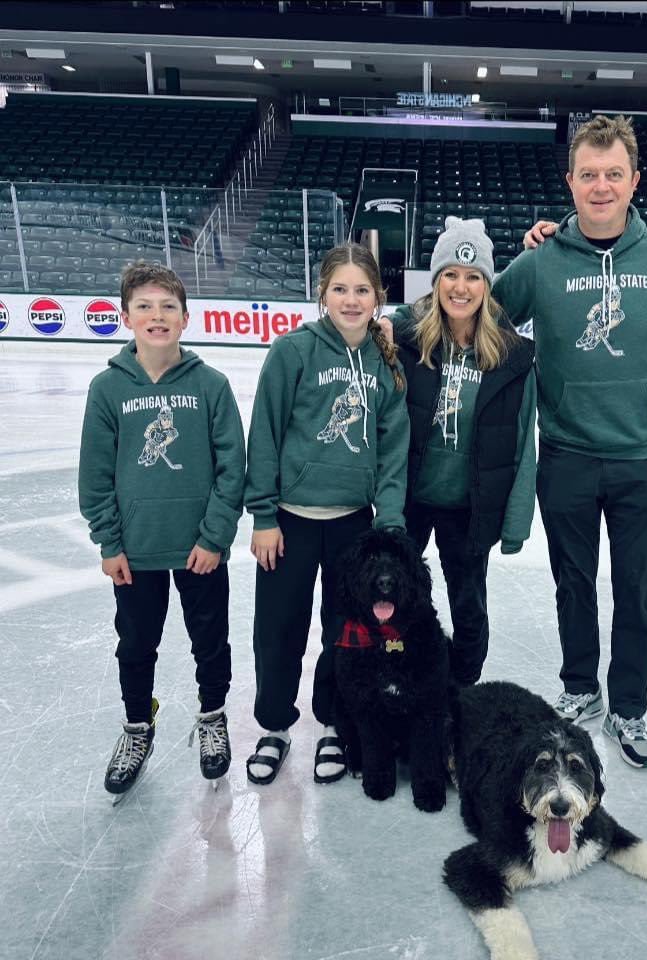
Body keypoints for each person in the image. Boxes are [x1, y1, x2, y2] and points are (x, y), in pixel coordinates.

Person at [492, 114, 647, 769]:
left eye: (614, 174)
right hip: (568, 457)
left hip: (643, 457)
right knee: (573, 586)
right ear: (570, 181)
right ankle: (581, 690)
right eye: (589, 175)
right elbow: (480, 317)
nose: (601, 186)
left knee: (637, 590)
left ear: (634, 180)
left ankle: (629, 707)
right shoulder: (541, 260)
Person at [244, 242, 409, 786]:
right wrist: (264, 516)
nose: (351, 299)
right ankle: (274, 726)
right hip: (289, 521)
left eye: (362, 289)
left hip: (353, 525)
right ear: (322, 294)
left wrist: (388, 526)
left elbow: (391, 451)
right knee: (279, 629)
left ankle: (336, 725)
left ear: (378, 298)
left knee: (346, 633)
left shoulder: (385, 363)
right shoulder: (293, 351)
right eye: (340, 288)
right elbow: (264, 434)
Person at [79, 261, 245, 799]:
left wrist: (214, 537)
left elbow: (231, 468)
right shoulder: (107, 389)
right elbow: (96, 473)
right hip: (136, 551)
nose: (157, 316)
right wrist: (109, 541)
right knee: (135, 645)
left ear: (185, 316)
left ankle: (213, 716)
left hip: (199, 548)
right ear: (126, 316)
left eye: (167, 306)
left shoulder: (210, 385)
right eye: (145, 306)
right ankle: (136, 726)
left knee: (209, 641)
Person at [389, 217, 536, 686]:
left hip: (469, 507)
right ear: (436, 281)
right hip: (410, 499)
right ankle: (398, 677)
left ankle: (463, 689)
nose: (461, 286)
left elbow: (522, 442)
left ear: (487, 286)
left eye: (473, 276)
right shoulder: (405, 340)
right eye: (451, 274)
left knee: (468, 605)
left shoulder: (511, 357)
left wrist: (514, 520)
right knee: (395, 600)